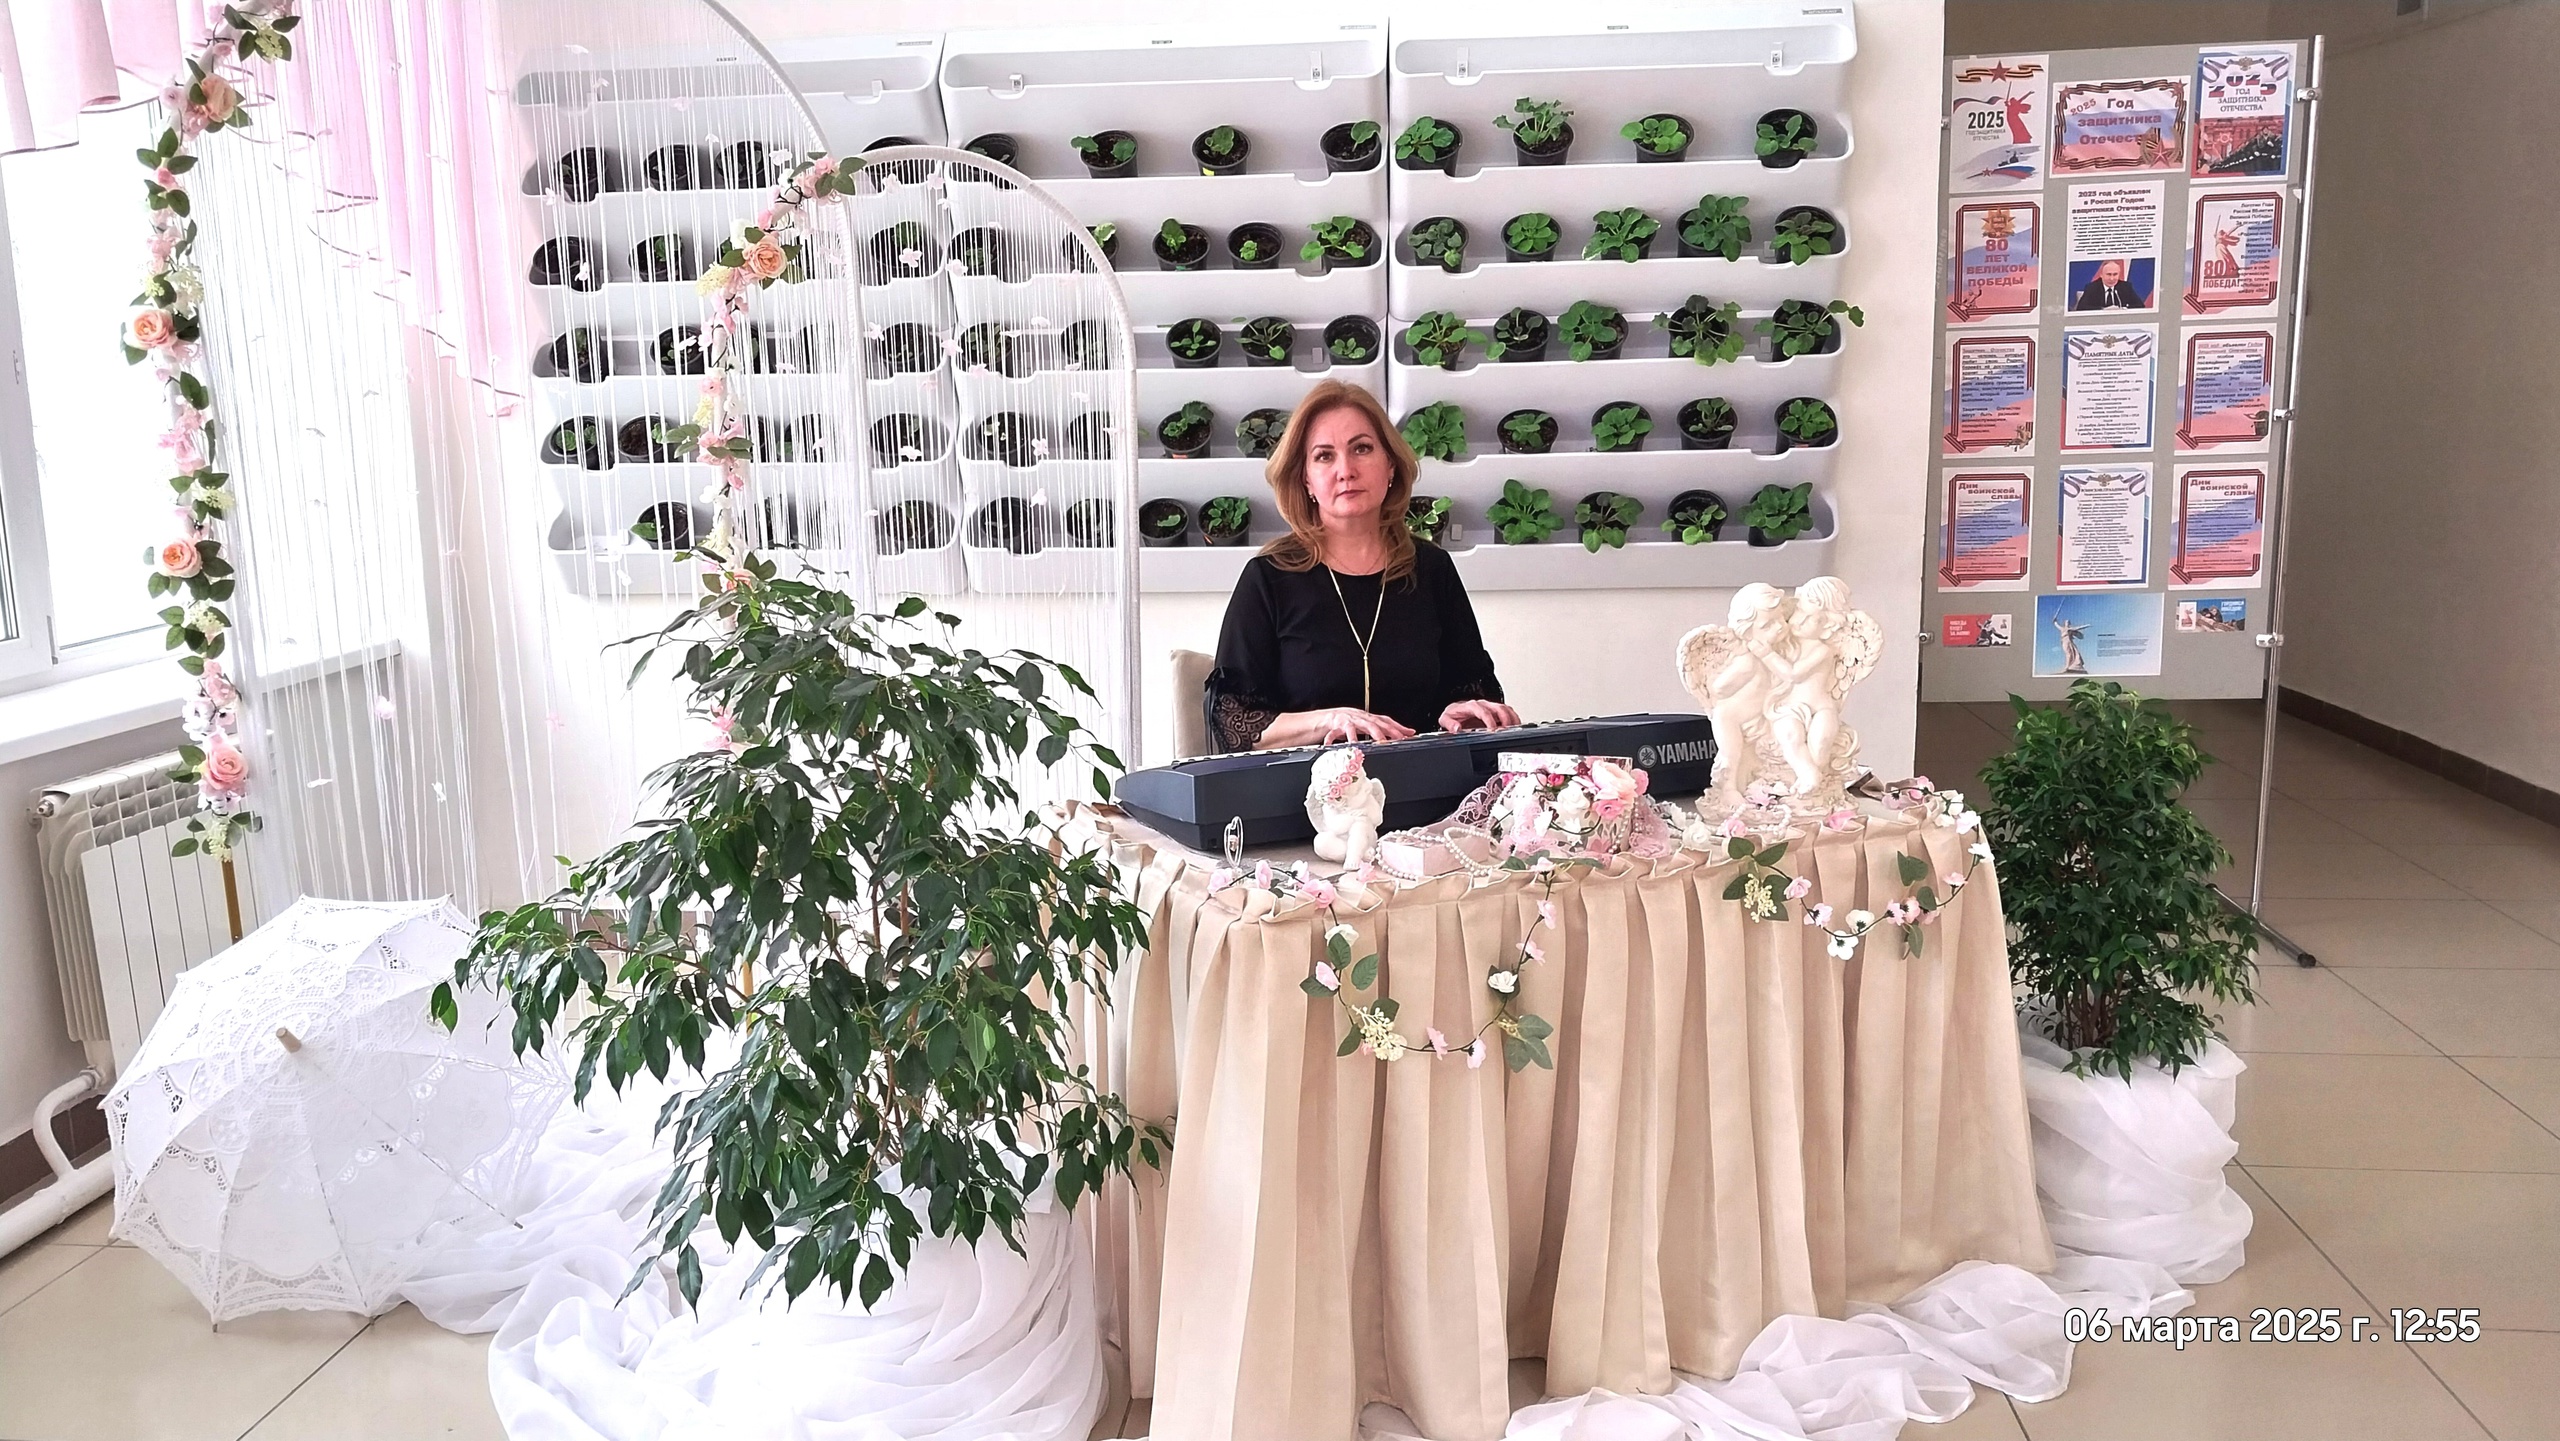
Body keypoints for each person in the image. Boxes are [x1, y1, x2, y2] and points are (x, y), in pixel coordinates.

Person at [1205, 380, 1517, 751]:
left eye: (1362, 448)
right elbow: (1233, 721)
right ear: (1306, 479)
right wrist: (1330, 720)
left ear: (1390, 465)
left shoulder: (1433, 569)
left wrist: (1461, 711)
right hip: (1305, 783)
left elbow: (1474, 686)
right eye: (1324, 456)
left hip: (1421, 777)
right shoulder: (1268, 578)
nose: (1346, 470)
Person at [2071, 256, 2147, 310]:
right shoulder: (2092, 288)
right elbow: (2081, 308)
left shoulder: (2126, 287)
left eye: (2115, 274)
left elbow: (2140, 306)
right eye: (2109, 274)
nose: (2112, 278)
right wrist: (2103, 309)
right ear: (2101, 275)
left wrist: (2124, 309)